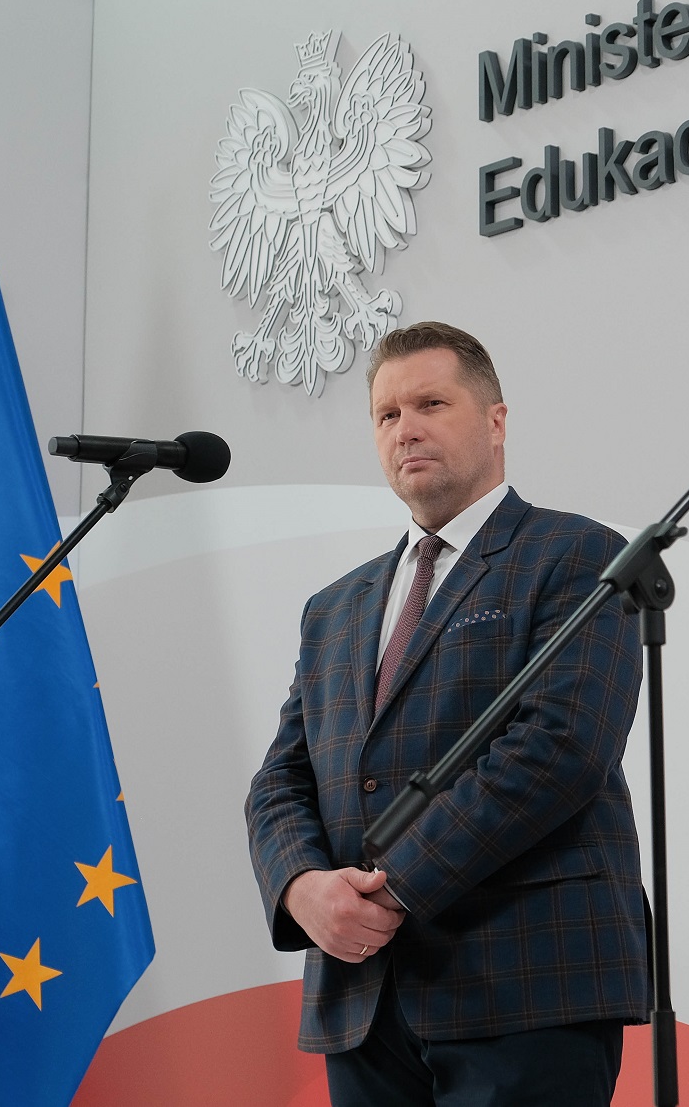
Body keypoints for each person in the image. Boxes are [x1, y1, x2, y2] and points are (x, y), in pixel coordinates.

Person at [246, 321, 647, 1107]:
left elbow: (559, 747)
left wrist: (393, 885)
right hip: (362, 999)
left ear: (496, 421)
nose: (407, 428)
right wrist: (301, 887)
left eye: (431, 403)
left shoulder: (578, 555)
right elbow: (281, 778)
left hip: (526, 982)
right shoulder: (335, 606)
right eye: (387, 414)